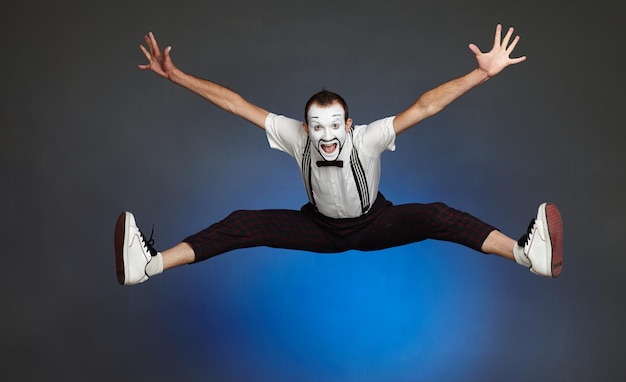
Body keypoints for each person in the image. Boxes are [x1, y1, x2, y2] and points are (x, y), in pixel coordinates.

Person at [115, 24, 563, 286]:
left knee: (437, 215)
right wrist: (177, 77)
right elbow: (235, 104)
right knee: (239, 224)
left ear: (348, 126)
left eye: (334, 127)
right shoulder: (295, 136)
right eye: (317, 127)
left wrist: (480, 75)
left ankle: (527, 255)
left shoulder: (368, 137)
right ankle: (148, 265)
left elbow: (426, 105)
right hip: (318, 227)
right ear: (305, 126)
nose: (325, 136)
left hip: (375, 223)